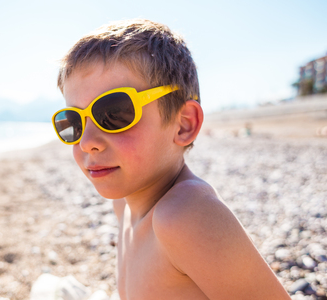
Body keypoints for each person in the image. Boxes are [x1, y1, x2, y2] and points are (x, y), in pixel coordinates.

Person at [52, 19, 290, 300]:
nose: (87, 142)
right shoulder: (124, 204)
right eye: (73, 122)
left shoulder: (184, 215)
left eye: (113, 113)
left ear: (183, 124)